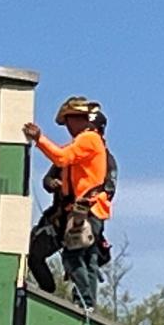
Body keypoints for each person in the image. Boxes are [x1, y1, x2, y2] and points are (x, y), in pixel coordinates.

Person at [23, 96, 113, 311]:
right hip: (87, 210)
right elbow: (59, 168)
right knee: (87, 257)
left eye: (68, 122)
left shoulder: (88, 139)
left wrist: (39, 139)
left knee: (74, 256)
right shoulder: (88, 141)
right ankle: (86, 303)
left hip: (85, 210)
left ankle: (84, 302)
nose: (68, 128)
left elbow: (61, 158)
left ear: (76, 119)